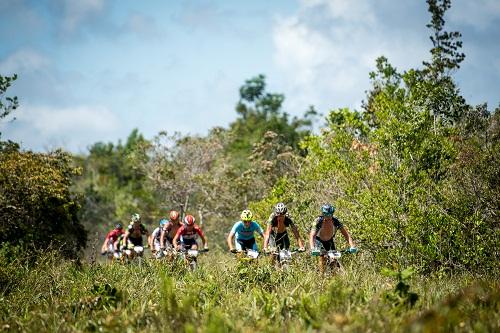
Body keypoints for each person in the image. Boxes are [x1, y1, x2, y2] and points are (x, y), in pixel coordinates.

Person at [309, 203, 357, 270]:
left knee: (334, 260)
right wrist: (312, 248)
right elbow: (312, 236)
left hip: (329, 241)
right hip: (318, 240)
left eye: (330, 214)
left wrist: (352, 246)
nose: (328, 216)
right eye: (326, 214)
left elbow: (346, 234)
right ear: (322, 213)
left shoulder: (336, 221)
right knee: (323, 258)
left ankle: (334, 277)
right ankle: (321, 277)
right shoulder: (318, 221)